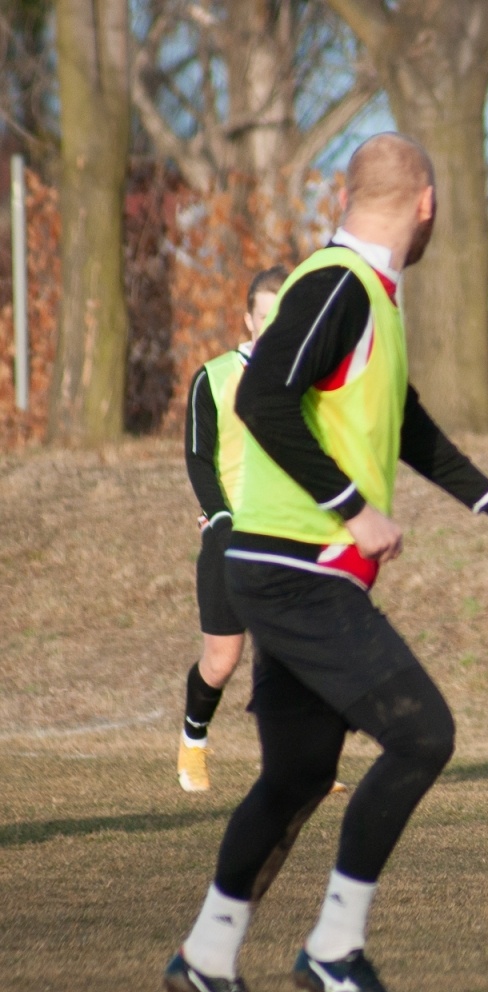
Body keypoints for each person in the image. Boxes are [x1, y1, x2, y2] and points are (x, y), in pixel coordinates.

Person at [164, 132, 488, 992]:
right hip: (292, 569)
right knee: (422, 735)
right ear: (426, 204)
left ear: (349, 195)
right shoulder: (336, 283)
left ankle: (206, 957)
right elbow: (262, 398)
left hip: (299, 570)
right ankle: (334, 948)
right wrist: (351, 507)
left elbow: (403, 423)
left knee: (298, 775)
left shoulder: (372, 295)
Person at [178, 267, 286, 792]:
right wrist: (219, 517)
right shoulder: (215, 377)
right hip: (230, 535)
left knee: (290, 655)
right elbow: (199, 457)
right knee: (222, 661)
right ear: (248, 319)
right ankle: (193, 742)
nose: (274, 325)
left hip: (289, 535)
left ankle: (297, 765)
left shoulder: (310, 380)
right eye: (266, 316)